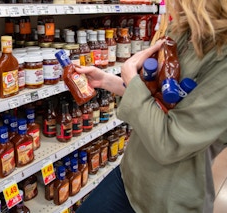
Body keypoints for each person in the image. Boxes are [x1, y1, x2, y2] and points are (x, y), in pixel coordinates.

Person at [75, 0, 227, 212]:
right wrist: (108, 81)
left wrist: (130, 75)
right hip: (131, 173)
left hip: (167, 199)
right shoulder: (185, 29)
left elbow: (170, 142)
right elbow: (154, 97)